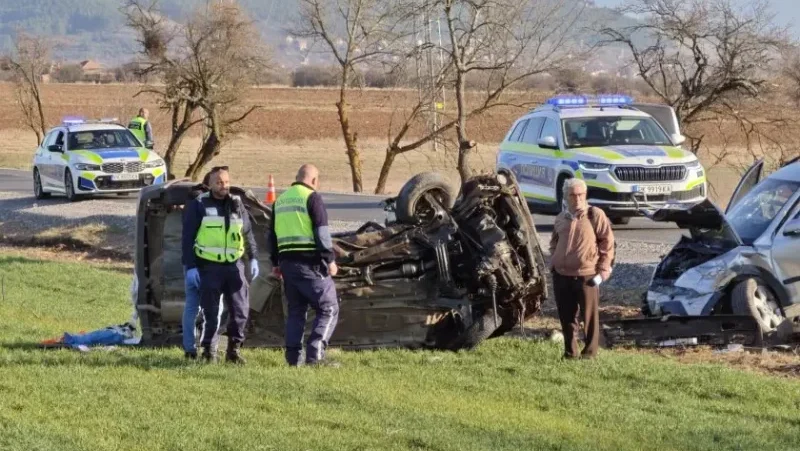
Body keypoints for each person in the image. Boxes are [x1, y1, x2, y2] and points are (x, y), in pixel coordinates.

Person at [182, 166, 259, 363]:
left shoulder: (236, 203)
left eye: (226, 182)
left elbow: (247, 232)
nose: (224, 186)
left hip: (235, 265)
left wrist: (254, 258)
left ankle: (233, 351)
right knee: (211, 313)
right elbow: (187, 237)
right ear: (210, 184)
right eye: (219, 182)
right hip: (209, 266)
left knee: (240, 310)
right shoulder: (199, 204)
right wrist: (191, 267)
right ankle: (209, 351)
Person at [267, 164, 339, 367]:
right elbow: (322, 234)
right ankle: (315, 356)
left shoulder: (280, 200)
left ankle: (293, 360)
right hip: (310, 265)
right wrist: (330, 260)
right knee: (329, 308)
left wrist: (275, 262)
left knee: (296, 311)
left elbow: (271, 235)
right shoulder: (312, 197)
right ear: (314, 180)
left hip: (288, 266)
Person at [549, 178, 614, 359]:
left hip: (587, 275)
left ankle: (590, 354)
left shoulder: (595, 215)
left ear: (585, 195)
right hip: (562, 275)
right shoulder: (561, 218)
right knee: (566, 317)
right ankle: (570, 353)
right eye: (573, 195)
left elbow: (607, 244)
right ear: (566, 197)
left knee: (590, 317)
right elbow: (554, 242)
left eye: (580, 195)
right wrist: (554, 261)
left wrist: (603, 269)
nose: (577, 199)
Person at [181, 172, 223, 360]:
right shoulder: (203, 204)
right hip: (207, 265)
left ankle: (190, 349)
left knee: (192, 307)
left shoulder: (192, 202)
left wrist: (190, 266)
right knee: (213, 308)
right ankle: (208, 348)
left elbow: (186, 237)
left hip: (194, 265)